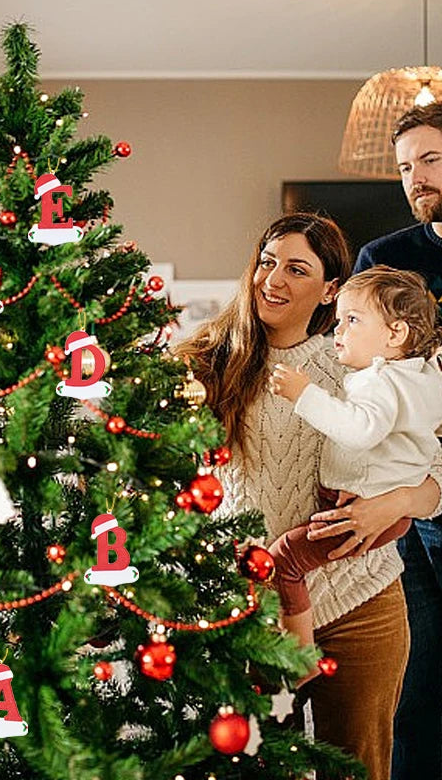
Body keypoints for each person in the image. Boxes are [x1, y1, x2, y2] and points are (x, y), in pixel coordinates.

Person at [173, 212, 442, 780]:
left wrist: (393, 504)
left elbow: (434, 469)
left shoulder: (360, 365)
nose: (274, 279)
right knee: (262, 767)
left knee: (359, 767)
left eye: (297, 268)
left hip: (361, 598)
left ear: (330, 289)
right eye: (267, 263)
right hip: (254, 605)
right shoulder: (206, 362)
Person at [328, 101, 442, 780]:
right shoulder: (385, 259)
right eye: (404, 167)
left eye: (430, 159)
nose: (414, 178)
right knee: (414, 687)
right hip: (403, 508)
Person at [266, 266, 442, 685]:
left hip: (356, 510)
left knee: (284, 560)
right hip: (381, 509)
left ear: (394, 334)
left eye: (352, 321)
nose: (338, 331)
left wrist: (303, 394)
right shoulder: (421, 376)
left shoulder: (379, 379)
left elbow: (361, 430)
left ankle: (301, 657)